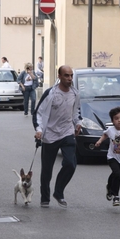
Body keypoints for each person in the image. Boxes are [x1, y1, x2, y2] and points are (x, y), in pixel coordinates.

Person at [33, 65, 82, 208]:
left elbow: (76, 112)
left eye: (71, 75)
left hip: (67, 132)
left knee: (70, 164)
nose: (69, 78)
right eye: (66, 75)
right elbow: (38, 113)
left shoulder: (75, 94)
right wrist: (39, 129)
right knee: (47, 170)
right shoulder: (51, 93)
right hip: (50, 134)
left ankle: (58, 192)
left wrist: (78, 123)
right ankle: (45, 198)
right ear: (59, 76)